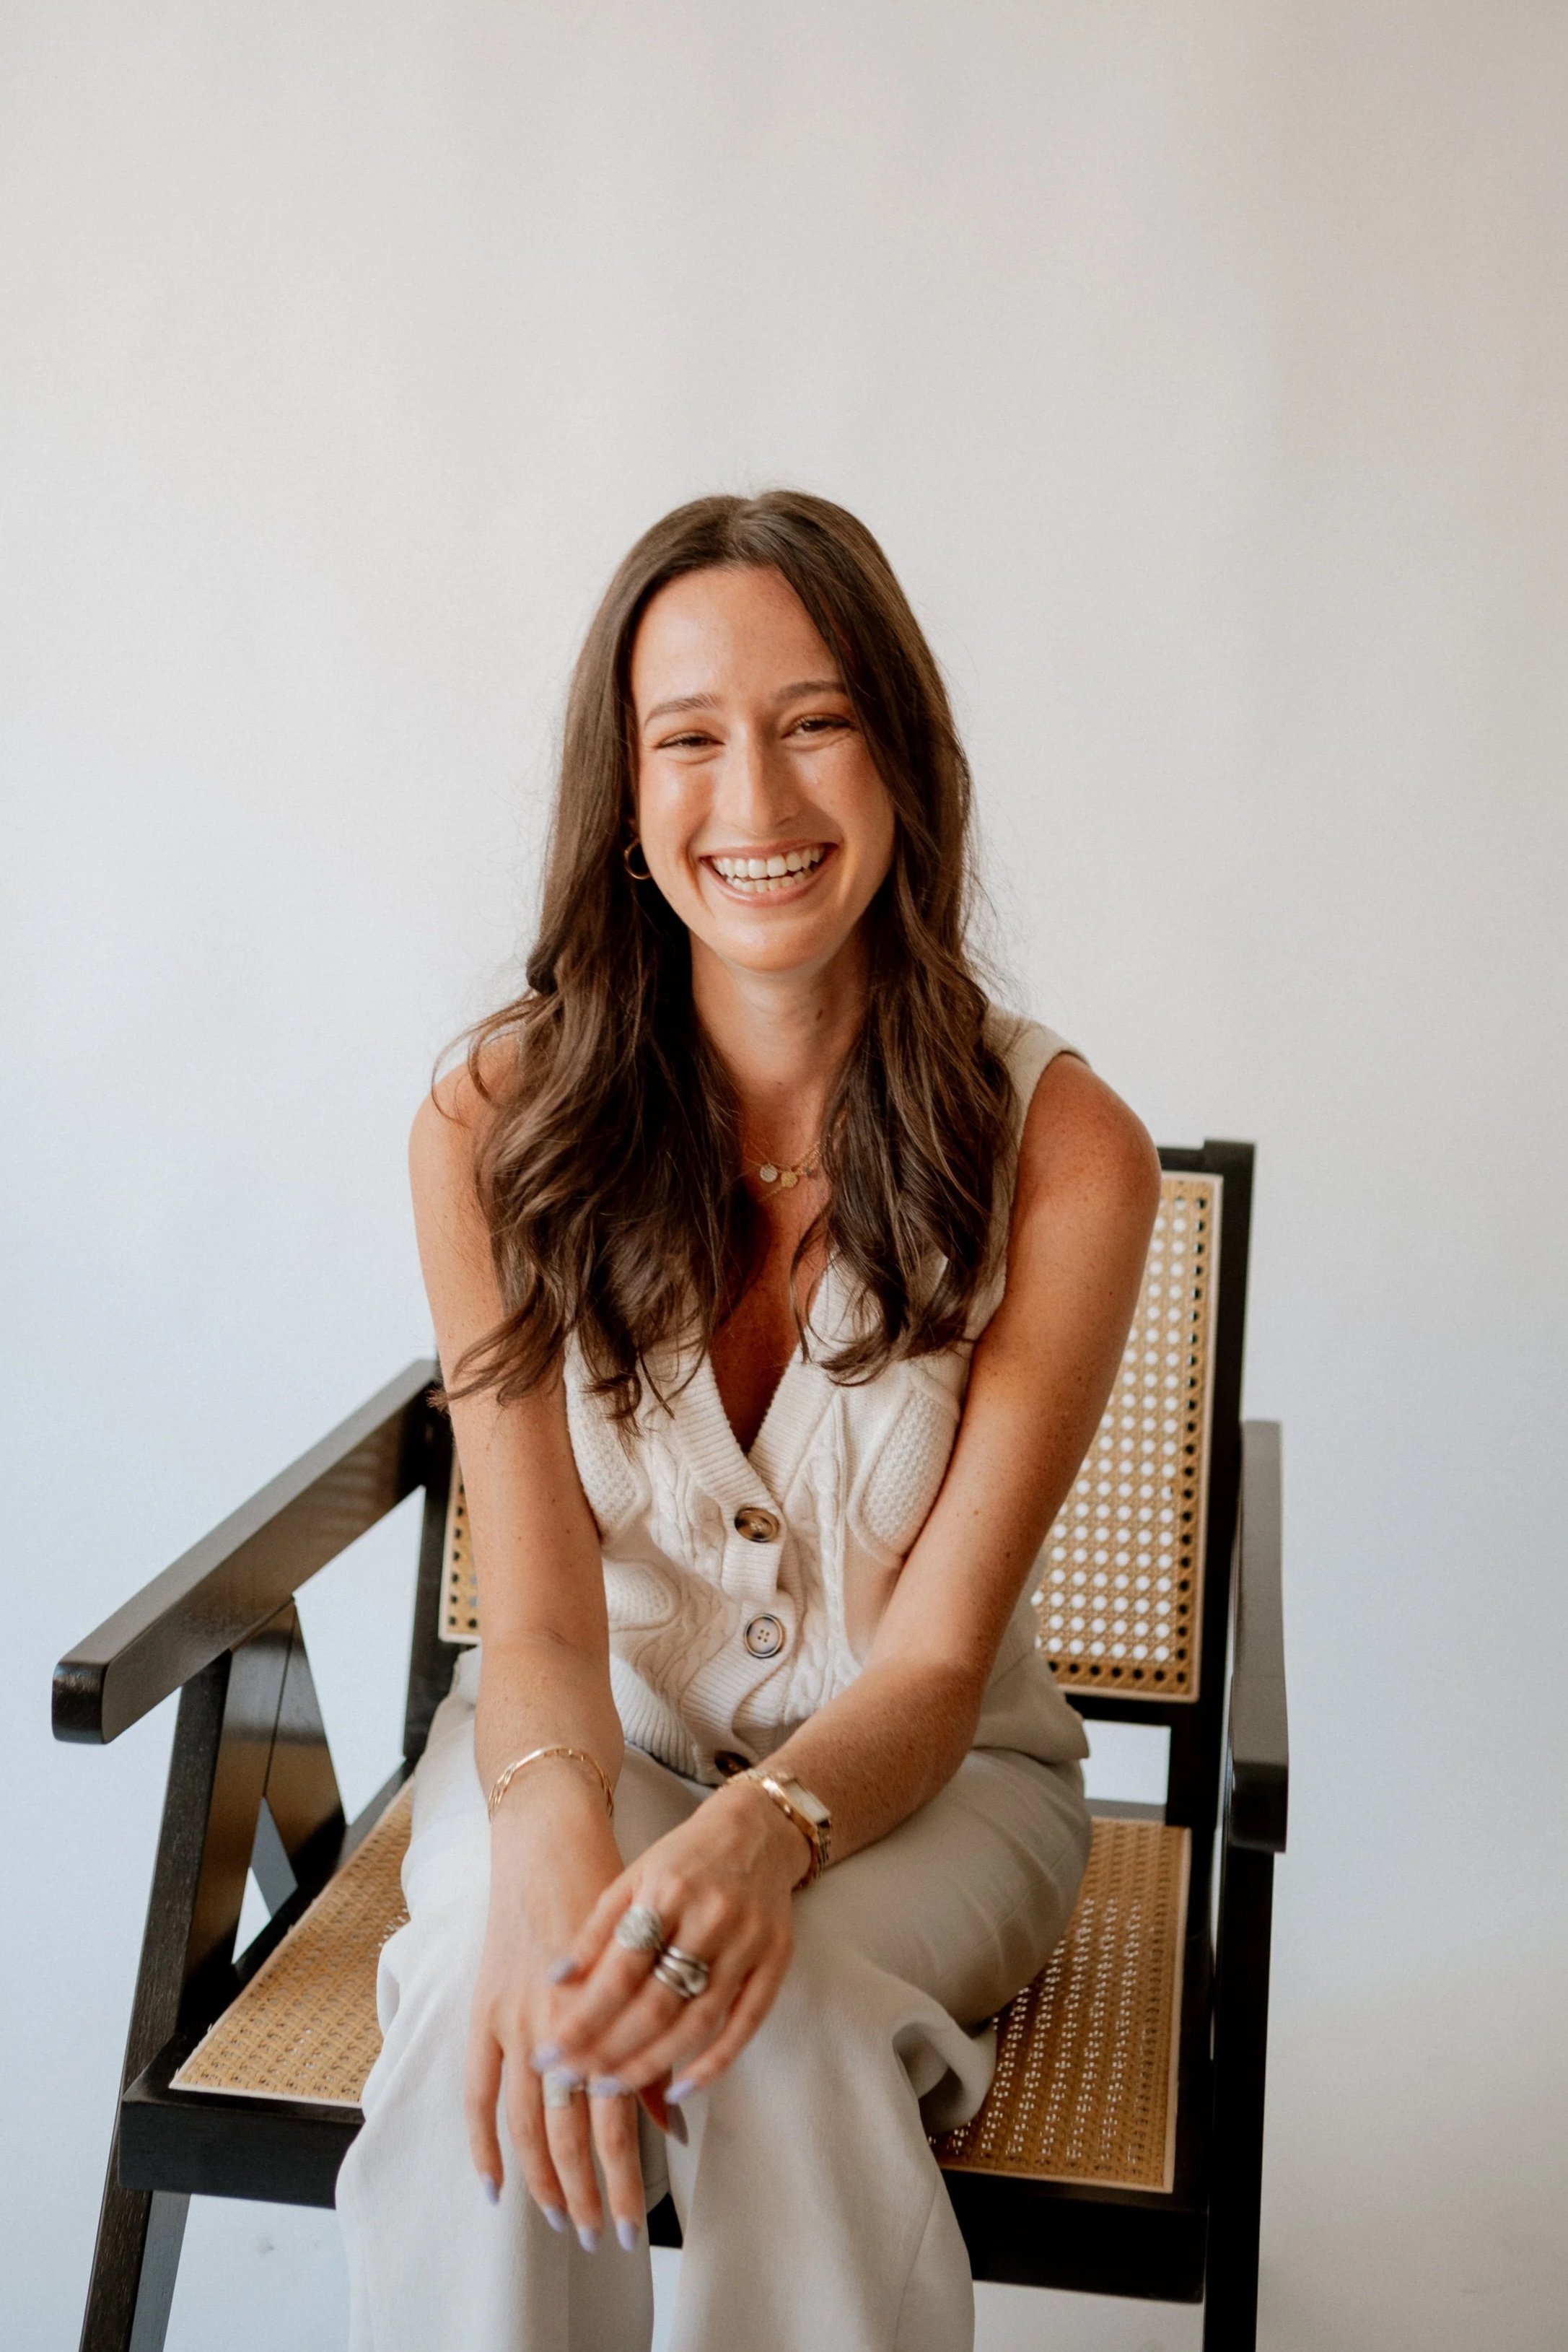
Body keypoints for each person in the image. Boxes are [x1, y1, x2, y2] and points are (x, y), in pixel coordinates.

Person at [336, 490, 1160, 2352]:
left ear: (903, 758)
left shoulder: (1068, 1154)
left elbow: (943, 1667)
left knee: (758, 2005)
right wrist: (558, 1848)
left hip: (929, 1796)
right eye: (691, 738)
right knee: (501, 1973)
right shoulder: (495, 1126)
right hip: (584, 1742)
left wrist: (761, 1837)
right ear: (625, 805)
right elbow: (539, 1623)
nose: (759, 801)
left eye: (815, 723)